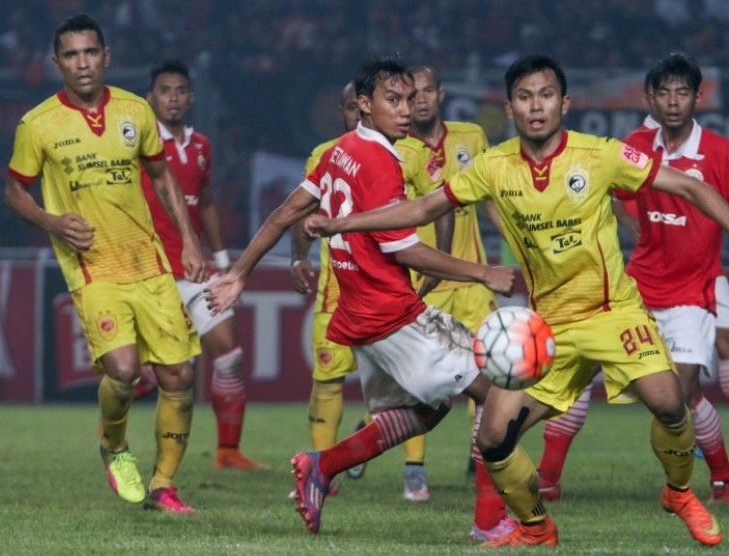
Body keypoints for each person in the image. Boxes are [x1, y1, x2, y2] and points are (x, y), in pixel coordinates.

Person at [303, 54, 729, 548]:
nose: (537, 106)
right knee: (493, 435)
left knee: (669, 401)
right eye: (526, 97)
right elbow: (425, 206)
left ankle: (680, 492)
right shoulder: (493, 166)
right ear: (509, 109)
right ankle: (535, 526)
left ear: (564, 103)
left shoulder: (600, 155)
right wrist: (341, 223)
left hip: (610, 313)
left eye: (547, 95)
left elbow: (687, 185)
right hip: (547, 326)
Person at [206, 57, 516, 538]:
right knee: (496, 394)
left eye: (410, 100)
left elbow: (285, 213)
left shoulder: (341, 151)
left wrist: (240, 273)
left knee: (427, 411)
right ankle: (490, 524)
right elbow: (408, 250)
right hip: (393, 315)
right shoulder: (380, 163)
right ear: (365, 106)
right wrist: (482, 272)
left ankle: (322, 465)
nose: (406, 110)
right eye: (393, 100)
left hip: (360, 315)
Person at [536, 53, 729, 504]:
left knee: (683, 391)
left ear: (697, 98)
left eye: (683, 93)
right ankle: (548, 479)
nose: (673, 102)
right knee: (579, 372)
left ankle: (722, 481)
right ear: (649, 99)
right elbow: (609, 190)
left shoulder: (719, 151)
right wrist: (626, 217)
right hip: (636, 285)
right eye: (665, 93)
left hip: (692, 293)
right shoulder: (635, 143)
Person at [4, 14, 204, 513]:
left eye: (90, 52)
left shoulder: (137, 110)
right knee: (123, 367)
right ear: (57, 64)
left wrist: (190, 241)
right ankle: (114, 445)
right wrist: (53, 223)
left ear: (106, 56)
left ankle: (163, 485)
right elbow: (14, 193)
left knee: (179, 376)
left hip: (150, 263)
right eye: (71, 55)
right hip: (92, 266)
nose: (82, 63)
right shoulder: (38, 124)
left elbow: (163, 179)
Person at [138, 58, 268, 472]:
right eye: (164, 91)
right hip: (153, 272)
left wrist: (224, 260)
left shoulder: (201, 146)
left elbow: (207, 203)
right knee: (157, 372)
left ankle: (228, 451)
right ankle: (123, 449)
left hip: (197, 273)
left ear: (191, 98)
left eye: (179, 91)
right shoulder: (138, 145)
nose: (172, 99)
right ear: (150, 98)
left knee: (228, 352)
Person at [395, 65, 507, 532]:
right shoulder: (399, 150)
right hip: (427, 283)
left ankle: (478, 458)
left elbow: (490, 200)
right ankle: (414, 467)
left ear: (441, 94)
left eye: (426, 91)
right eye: (410, 94)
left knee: (488, 375)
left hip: (475, 283)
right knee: (422, 381)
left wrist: (516, 246)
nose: (420, 100)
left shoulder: (472, 136)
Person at [289, 81, 364, 496]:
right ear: (343, 111)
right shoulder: (323, 155)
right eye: (350, 107)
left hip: (392, 290)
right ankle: (320, 471)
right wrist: (299, 257)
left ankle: (373, 439)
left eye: (362, 107)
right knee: (328, 380)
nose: (356, 115)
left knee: (415, 387)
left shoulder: (407, 153)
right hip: (337, 293)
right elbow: (302, 213)